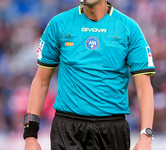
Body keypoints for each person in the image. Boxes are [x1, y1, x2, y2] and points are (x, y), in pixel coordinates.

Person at [23, 0, 156, 150]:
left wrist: (146, 136)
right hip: (67, 130)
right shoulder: (59, 24)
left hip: (112, 130)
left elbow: (144, 88)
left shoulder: (129, 28)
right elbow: (41, 81)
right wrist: (30, 136)